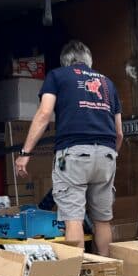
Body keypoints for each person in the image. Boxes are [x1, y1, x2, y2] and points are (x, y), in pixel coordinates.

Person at [16, 40, 122, 255]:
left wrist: (25, 153)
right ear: (89, 61)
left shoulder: (58, 76)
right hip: (107, 154)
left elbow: (44, 114)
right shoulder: (108, 83)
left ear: (65, 62)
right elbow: (119, 132)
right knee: (102, 221)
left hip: (73, 154)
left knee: (73, 218)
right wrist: (111, 155)